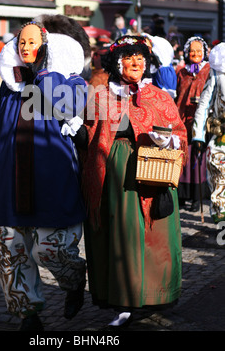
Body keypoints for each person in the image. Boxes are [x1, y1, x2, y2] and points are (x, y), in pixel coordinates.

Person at [0, 19, 88, 331]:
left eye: (33, 42)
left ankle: (74, 281)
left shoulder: (71, 83)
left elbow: (70, 105)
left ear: (46, 47)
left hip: (53, 179)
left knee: (52, 248)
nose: (26, 47)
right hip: (10, 182)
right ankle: (28, 315)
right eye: (21, 42)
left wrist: (46, 73)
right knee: (10, 248)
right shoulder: (7, 91)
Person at [80, 35, 187, 329]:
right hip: (116, 176)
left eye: (141, 57)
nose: (137, 62)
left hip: (154, 174)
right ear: (117, 63)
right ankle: (124, 300)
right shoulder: (101, 96)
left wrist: (169, 140)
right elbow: (87, 135)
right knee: (123, 237)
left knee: (155, 237)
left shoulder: (159, 96)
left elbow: (179, 132)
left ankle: (157, 294)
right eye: (130, 57)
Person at [176, 37, 210, 211]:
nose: (195, 54)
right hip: (182, 121)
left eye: (198, 51)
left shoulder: (208, 71)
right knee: (183, 158)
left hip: (199, 121)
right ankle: (182, 197)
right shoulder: (182, 72)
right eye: (192, 51)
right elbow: (178, 95)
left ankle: (197, 199)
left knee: (198, 159)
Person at [192, 42, 225, 223]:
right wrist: (198, 134)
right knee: (219, 178)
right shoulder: (218, 71)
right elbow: (204, 104)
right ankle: (222, 221)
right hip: (222, 137)